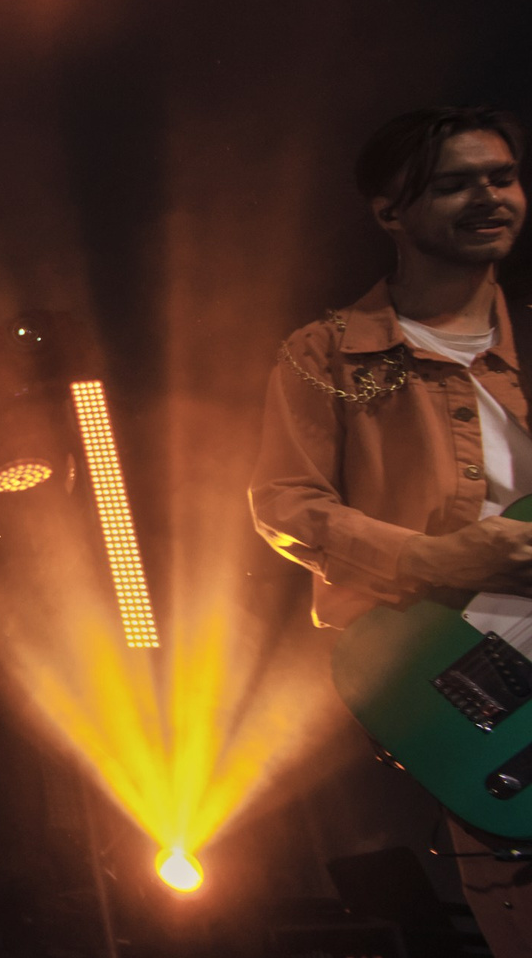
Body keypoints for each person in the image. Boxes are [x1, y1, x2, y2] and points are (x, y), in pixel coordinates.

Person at [251, 104, 532, 953]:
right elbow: (285, 505)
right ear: (389, 212)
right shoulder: (326, 355)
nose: (489, 197)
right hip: (473, 677)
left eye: (503, 177)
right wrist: (436, 557)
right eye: (454, 185)